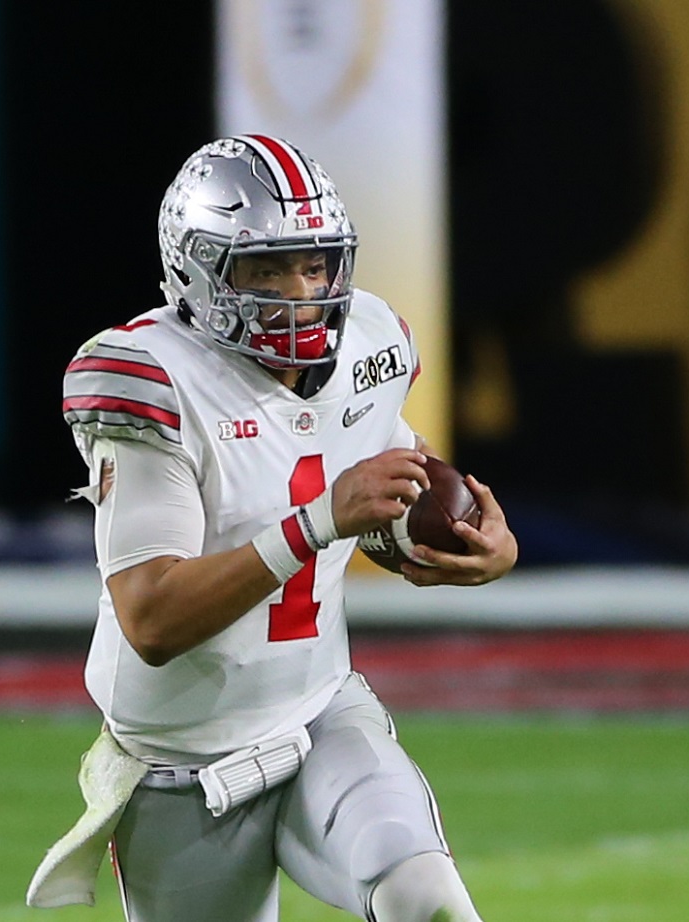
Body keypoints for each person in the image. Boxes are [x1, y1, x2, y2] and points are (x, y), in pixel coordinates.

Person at [28, 134, 518, 922]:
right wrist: (324, 519)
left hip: (320, 710)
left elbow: (388, 463)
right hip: (183, 763)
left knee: (427, 902)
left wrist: (476, 540)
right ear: (199, 269)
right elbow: (151, 618)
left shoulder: (369, 342)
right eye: (266, 268)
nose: (301, 289)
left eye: (315, 264)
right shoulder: (153, 378)